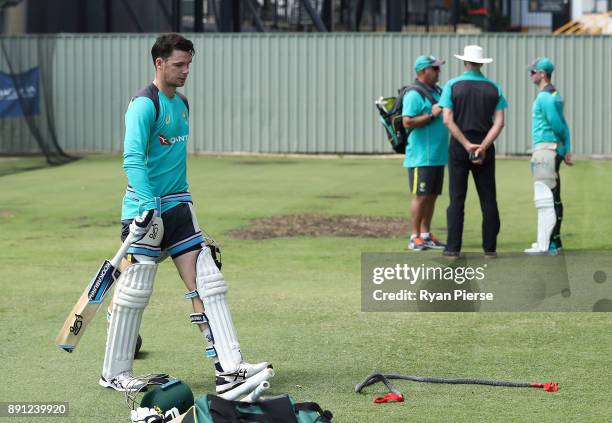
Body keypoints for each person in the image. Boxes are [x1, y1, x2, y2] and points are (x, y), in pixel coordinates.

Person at [99, 33, 272, 394]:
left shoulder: (183, 104)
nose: (185, 71)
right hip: (145, 210)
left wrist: (179, 204)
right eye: (179, 64)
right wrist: (147, 206)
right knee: (135, 291)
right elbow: (132, 159)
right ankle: (115, 372)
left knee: (208, 283)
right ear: (159, 63)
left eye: (189, 64)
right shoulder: (144, 105)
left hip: (179, 206)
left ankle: (229, 368)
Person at [438, 45, 507, 258]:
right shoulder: (494, 88)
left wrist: (467, 145)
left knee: (457, 199)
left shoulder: (452, 85)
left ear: (465, 62)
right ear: (481, 63)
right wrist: (483, 146)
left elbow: (447, 119)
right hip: (485, 146)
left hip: (459, 146)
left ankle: (453, 248)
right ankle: (490, 249)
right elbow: (499, 123)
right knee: (488, 199)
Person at [524, 57, 572, 255]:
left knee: (546, 198)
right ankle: (553, 241)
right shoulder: (554, 94)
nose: (531, 75)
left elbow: (557, 124)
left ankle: (547, 244)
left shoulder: (544, 97)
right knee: (553, 196)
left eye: (533, 72)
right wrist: (566, 148)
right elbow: (564, 123)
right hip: (551, 149)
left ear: (542, 73)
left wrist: (561, 148)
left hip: (545, 149)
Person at [402, 55, 448, 251]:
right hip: (421, 156)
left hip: (437, 155)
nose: (438, 71)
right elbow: (407, 121)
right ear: (422, 72)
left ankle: (426, 234)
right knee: (421, 196)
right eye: (434, 68)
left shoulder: (438, 91)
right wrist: (431, 114)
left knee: (432, 195)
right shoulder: (413, 94)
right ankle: (414, 237)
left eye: (438, 68)